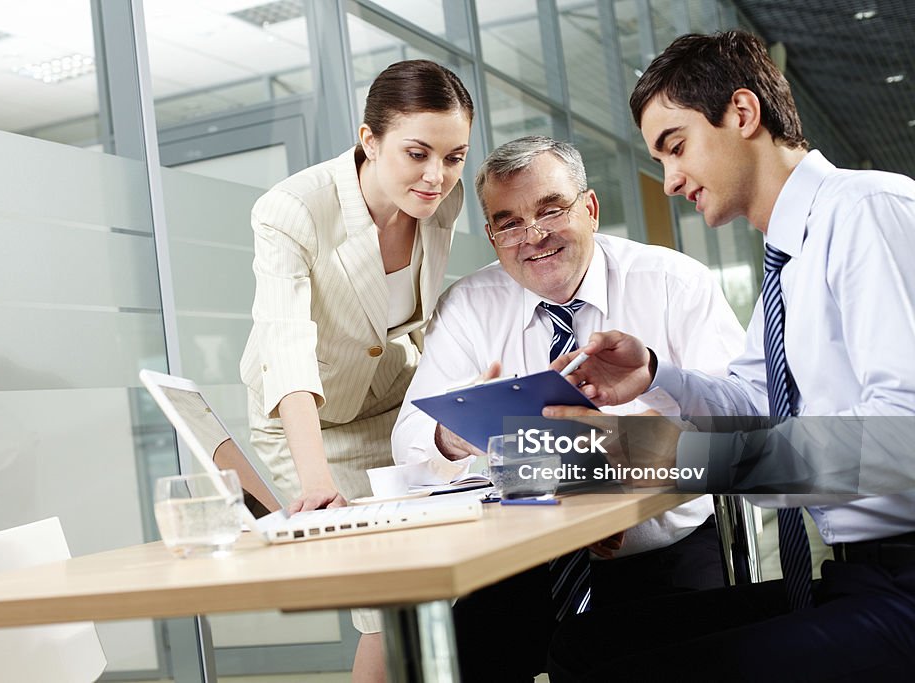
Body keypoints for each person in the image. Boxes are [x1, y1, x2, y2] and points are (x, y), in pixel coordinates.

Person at [545, 31, 915, 681]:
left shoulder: (867, 213)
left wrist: (668, 455)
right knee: (585, 644)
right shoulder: (787, 255)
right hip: (861, 572)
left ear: (743, 114)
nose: (669, 181)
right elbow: (754, 399)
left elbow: (901, 441)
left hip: (904, 580)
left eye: (676, 146)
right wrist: (659, 374)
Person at [391, 135, 746, 680]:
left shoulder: (674, 283)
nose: (533, 237)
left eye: (551, 210)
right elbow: (411, 436)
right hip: (523, 557)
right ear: (492, 236)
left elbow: (734, 418)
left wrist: (608, 475)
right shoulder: (468, 306)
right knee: (446, 663)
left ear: (591, 208)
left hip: (661, 550)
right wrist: (459, 432)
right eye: (509, 222)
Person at [234, 59, 473, 683]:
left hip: (395, 404)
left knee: (433, 580)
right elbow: (284, 342)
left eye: (454, 157)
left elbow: (416, 322)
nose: (436, 176)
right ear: (369, 139)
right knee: (384, 597)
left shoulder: (441, 201)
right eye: (417, 152)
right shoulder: (292, 210)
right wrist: (315, 482)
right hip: (311, 419)